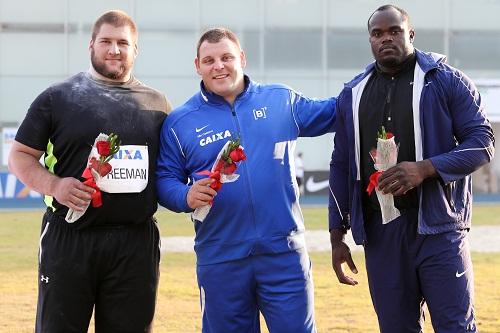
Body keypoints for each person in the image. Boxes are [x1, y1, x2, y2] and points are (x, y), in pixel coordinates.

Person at [157, 28, 336, 333]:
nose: (219, 66)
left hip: (283, 255)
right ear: (197, 66)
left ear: (242, 58)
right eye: (209, 60)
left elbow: (336, 111)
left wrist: (376, 78)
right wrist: (185, 196)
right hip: (220, 258)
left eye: (226, 57)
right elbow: (164, 178)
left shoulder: (281, 100)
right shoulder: (180, 121)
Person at [328, 4, 495, 332]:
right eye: (377, 33)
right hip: (382, 233)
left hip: (439, 228)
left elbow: (482, 142)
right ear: (370, 40)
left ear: (411, 34)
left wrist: (425, 168)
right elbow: (341, 164)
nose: (385, 38)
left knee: (456, 326)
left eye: (394, 31)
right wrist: (337, 235)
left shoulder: (445, 80)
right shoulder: (352, 93)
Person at [8, 10, 171, 332]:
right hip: (70, 239)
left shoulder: (158, 105)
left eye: (123, 43)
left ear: (135, 49)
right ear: (91, 46)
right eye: (106, 41)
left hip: (135, 242)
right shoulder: (57, 98)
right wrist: (55, 186)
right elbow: (20, 156)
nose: (114, 50)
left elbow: (170, 169)